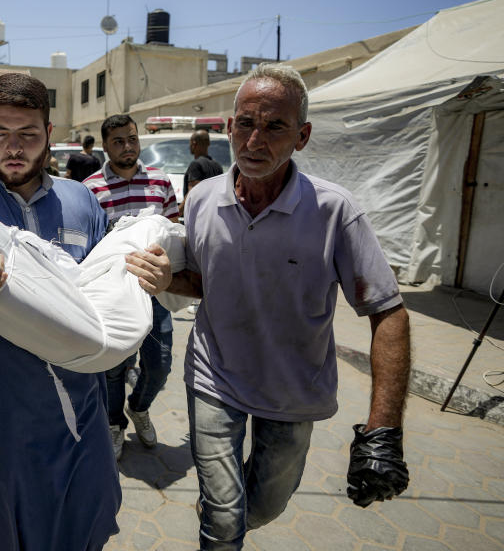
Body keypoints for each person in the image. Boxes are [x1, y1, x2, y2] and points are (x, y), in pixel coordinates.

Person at [0, 73, 172, 550]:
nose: (14, 148)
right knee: (6, 529)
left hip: (77, 401)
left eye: (28, 135)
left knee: (89, 514)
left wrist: (151, 276)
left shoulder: (82, 201)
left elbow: (106, 285)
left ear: (50, 133)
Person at [166, 64, 410, 550]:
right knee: (223, 520)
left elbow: (388, 312)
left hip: (294, 391)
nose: (254, 140)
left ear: (302, 136)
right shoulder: (200, 199)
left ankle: (227, 514)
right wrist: (164, 278)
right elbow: (200, 281)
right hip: (214, 376)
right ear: (228, 126)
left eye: (275, 126)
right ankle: (221, 518)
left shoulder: (335, 211)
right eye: (244, 123)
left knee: (265, 506)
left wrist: (384, 429)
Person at [83, 114, 179, 460]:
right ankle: (113, 424)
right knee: (113, 368)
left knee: (160, 364)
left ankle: (139, 407)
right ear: (105, 146)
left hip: (155, 292)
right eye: (119, 141)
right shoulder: (90, 189)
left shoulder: (160, 183)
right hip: (113, 298)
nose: (128, 147)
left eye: (133, 139)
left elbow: (174, 232)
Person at [184, 129, 224, 199]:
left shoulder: (196, 165)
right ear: (208, 143)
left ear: (194, 144)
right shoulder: (218, 166)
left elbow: (192, 194)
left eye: (190, 143)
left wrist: (178, 209)